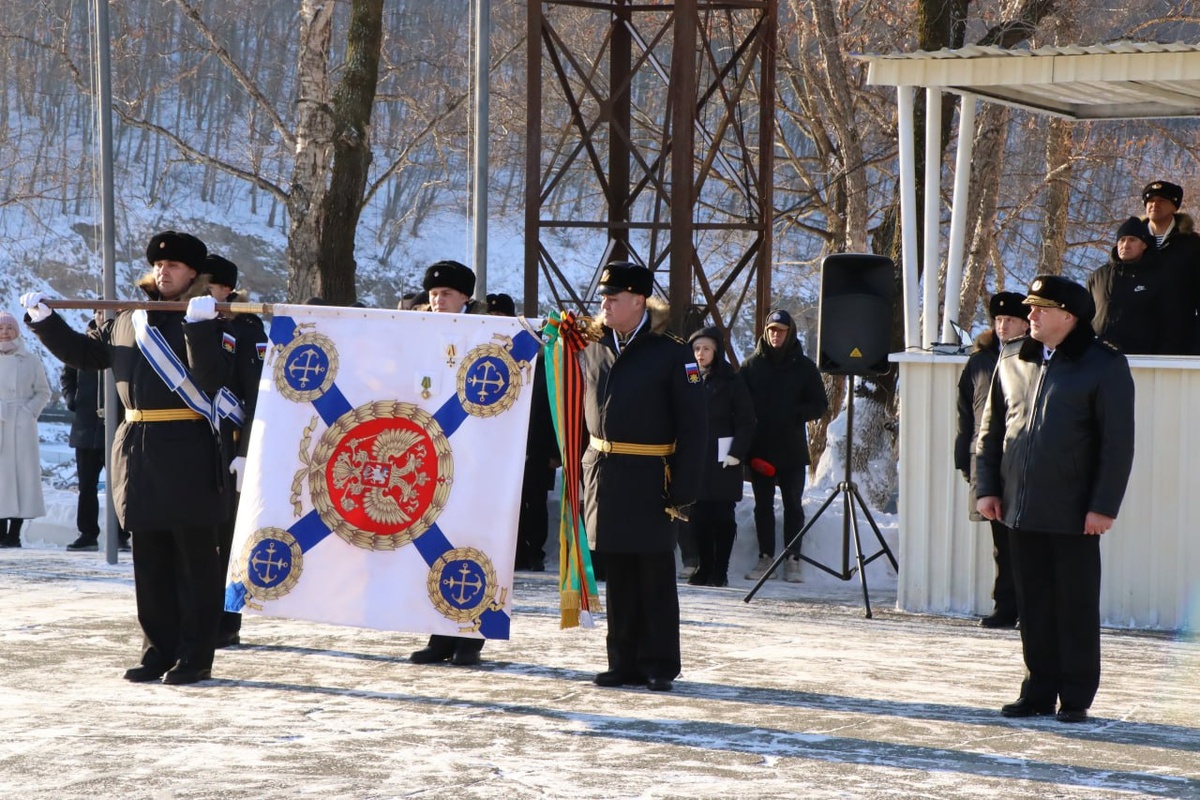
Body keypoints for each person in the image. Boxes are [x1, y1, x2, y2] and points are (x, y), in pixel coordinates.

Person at [22, 230, 236, 685]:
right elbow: (86, 354)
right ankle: (158, 649)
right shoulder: (127, 317)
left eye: (175, 266)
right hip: (137, 446)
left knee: (195, 563)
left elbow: (213, 379)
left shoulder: (211, 317)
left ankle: (195, 656)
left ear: (194, 274)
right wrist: (45, 322)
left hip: (191, 445)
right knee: (150, 560)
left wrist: (199, 328)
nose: (164, 271)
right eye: (160, 265)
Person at [975, 275, 1135, 724]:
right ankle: (1039, 690)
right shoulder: (1011, 359)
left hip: (1074, 511)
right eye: (1030, 308)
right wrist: (986, 488)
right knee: (1034, 605)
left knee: (1075, 604)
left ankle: (1076, 694)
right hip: (1018, 509)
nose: (1030, 316)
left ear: (1068, 315)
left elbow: (1117, 445)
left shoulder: (1103, 365)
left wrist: (1103, 505)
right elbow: (991, 433)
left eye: (1039, 308)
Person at [580, 262, 706, 692]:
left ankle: (658, 663)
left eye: (613, 299)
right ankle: (623, 661)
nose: (604, 306)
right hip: (607, 473)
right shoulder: (593, 345)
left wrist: (684, 488)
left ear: (638, 301)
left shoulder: (672, 351)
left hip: (654, 476)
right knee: (618, 575)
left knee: (653, 574)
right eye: (603, 299)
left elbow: (694, 424)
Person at [408, 259, 489, 666]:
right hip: (423, 454)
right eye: (434, 294)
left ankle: (470, 633)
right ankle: (438, 634)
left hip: (470, 455)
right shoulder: (414, 330)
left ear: (465, 299)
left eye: (447, 294)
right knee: (430, 545)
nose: (438, 300)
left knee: (468, 541)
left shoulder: (484, 335)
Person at [953, 292, 1029, 628]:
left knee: (1027, 540)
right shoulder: (980, 361)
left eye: (1010, 320)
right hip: (987, 461)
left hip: (1022, 460)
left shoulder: (1035, 358)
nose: (1002, 326)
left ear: (1026, 323)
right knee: (1001, 542)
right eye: (998, 320)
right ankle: (1005, 606)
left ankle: (1031, 608)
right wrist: (964, 458)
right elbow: (964, 414)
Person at [204, 254, 268, 648]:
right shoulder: (185, 323)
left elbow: (256, 392)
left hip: (228, 448)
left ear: (227, 290)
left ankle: (227, 621)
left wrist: (246, 450)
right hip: (191, 445)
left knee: (228, 540)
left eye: (209, 285)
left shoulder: (246, 328)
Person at [739, 309, 828, 583]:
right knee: (762, 506)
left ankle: (793, 558)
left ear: (790, 334)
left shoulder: (804, 367)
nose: (776, 335)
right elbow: (738, 405)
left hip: (791, 449)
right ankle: (765, 557)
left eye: (782, 330)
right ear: (765, 332)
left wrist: (796, 412)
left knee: (793, 505)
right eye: (772, 330)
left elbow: (820, 405)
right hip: (760, 450)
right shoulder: (751, 366)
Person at [684, 326, 755, 587]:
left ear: (716, 352)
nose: (700, 354)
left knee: (723, 515)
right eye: (696, 349)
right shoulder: (688, 377)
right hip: (697, 456)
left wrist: (737, 451)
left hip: (724, 457)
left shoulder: (731, 380)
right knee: (699, 514)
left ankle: (720, 570)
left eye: (706, 349)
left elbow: (746, 420)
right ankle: (703, 566)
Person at [61, 348, 130, 552]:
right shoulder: (81, 345)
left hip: (117, 426)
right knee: (87, 485)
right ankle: (88, 533)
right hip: (86, 427)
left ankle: (121, 534)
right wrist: (73, 399)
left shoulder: (120, 343)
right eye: (98, 312)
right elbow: (67, 376)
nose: (102, 315)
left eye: (104, 312)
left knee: (119, 484)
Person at [1086, 216, 1182, 355]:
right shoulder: (1098, 276)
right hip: (1099, 357)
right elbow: (1084, 317)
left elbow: (1171, 322)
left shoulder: (1160, 277)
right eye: (1122, 240)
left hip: (1143, 359)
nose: (1125, 245)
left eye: (1132, 239)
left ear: (1144, 244)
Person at [0, 310, 51, 548]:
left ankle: (14, 534)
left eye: (9, 328)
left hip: (22, 425)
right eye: (1, 329)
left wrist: (29, 411)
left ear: (17, 331)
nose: (4, 333)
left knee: (22, 477)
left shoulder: (31, 360)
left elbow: (43, 391)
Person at [1140, 180, 1200, 353]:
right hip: (1135, 334)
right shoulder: (1130, 242)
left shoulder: (1192, 245)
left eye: (1162, 201)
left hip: (1179, 334)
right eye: (1150, 201)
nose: (1154, 205)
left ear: (1174, 207)